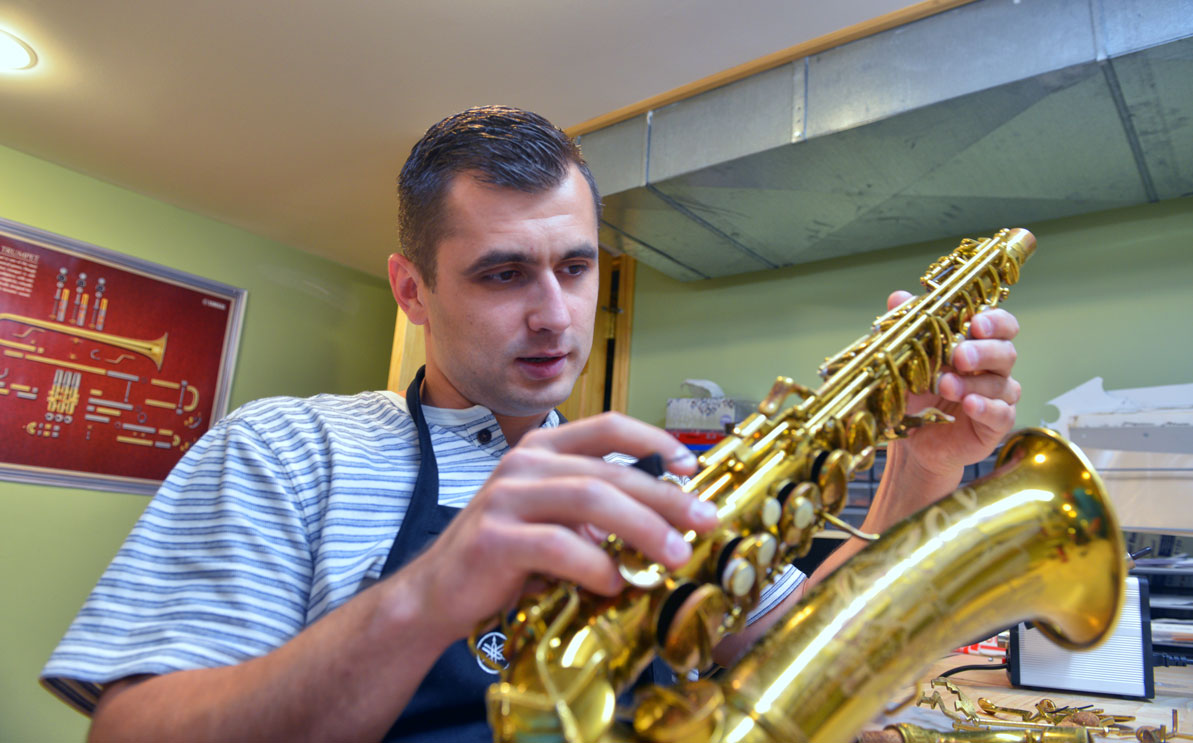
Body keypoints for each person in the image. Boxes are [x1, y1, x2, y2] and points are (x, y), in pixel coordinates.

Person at [41, 106, 1021, 742]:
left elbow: (830, 669)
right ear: (411, 288)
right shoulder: (288, 448)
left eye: (577, 266)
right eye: (503, 273)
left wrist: (919, 470)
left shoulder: (656, 471)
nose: (554, 314)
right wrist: (427, 594)